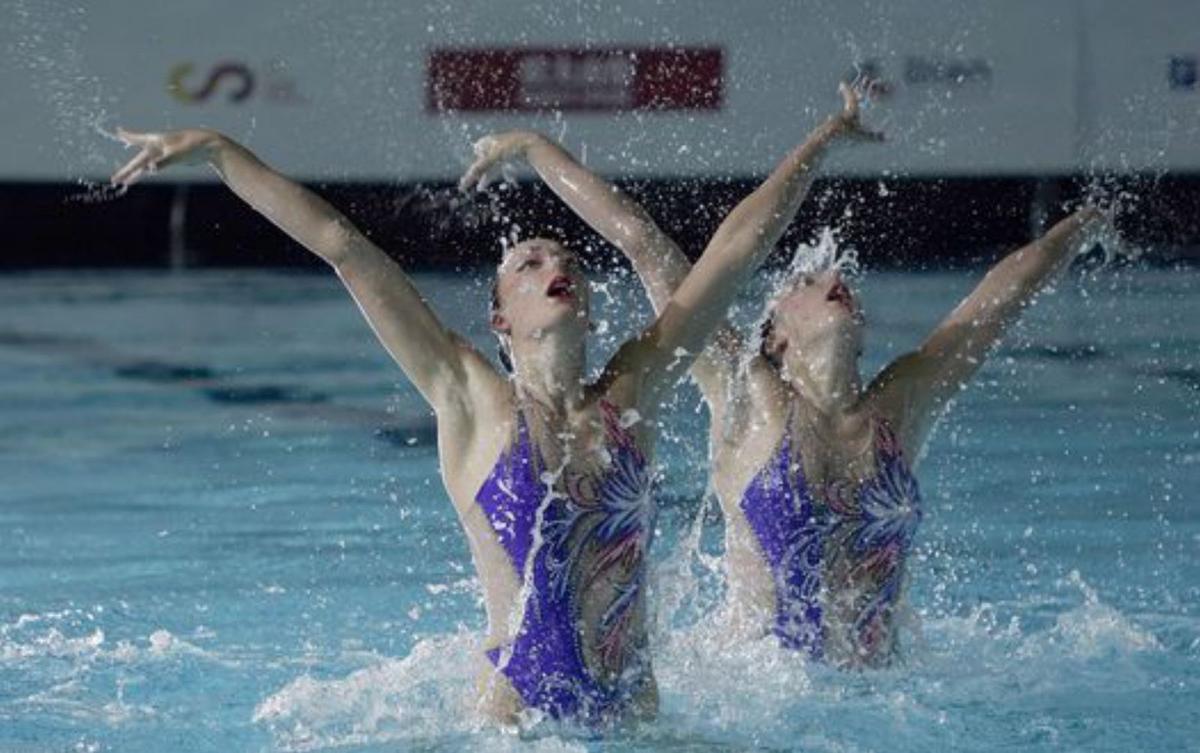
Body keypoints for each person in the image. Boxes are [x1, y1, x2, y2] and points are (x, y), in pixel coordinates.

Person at [109, 82, 877, 727]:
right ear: (499, 317)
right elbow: (343, 245)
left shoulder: (635, 390)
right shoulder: (470, 399)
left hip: (638, 725)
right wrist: (220, 151)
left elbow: (734, 252)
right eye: (529, 262)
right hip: (515, 728)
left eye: (568, 259)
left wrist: (825, 138)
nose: (557, 265)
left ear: (592, 310)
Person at [465, 81, 1104, 668]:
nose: (835, 279)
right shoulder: (749, 394)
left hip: (876, 697)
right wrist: (535, 148)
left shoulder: (899, 408)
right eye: (808, 279)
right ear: (774, 334)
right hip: (762, 688)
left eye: (838, 276)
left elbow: (991, 306)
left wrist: (1083, 224)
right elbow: (644, 242)